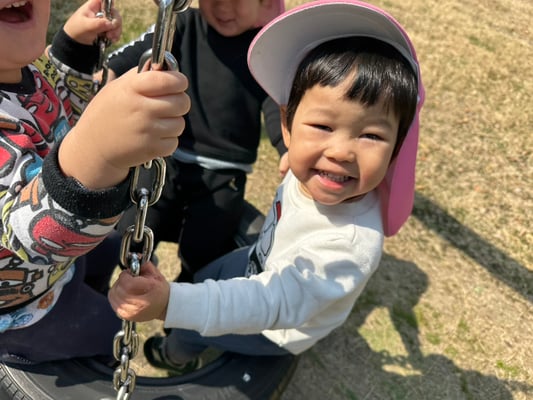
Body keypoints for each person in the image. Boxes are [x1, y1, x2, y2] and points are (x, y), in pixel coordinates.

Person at [108, 0, 425, 373]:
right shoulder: (313, 170)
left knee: (195, 326)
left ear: (397, 148)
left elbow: (268, 303)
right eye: (322, 127)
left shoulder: (349, 246)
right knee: (208, 275)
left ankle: (176, 354)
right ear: (289, 126)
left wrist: (170, 304)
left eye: (371, 135)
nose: (340, 152)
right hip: (260, 257)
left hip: (277, 326)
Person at [0, 0, 190, 364]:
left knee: (106, 252)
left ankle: (91, 282)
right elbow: (32, 239)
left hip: (64, 262)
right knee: (108, 329)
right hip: (24, 308)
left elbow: (57, 102)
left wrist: (73, 49)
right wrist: (98, 152)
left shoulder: (27, 66)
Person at [106, 0, 286, 282]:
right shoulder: (182, 24)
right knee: (132, 228)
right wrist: (110, 73)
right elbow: (142, 52)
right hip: (166, 156)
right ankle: (135, 276)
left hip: (225, 172)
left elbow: (276, 106)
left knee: (205, 250)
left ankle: (185, 290)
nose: (224, 8)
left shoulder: (264, 49)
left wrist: (287, 149)